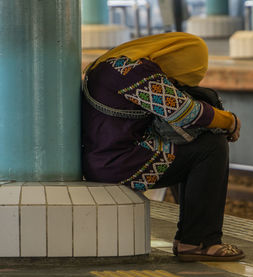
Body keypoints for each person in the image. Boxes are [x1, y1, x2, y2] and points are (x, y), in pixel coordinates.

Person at [81, 32, 244, 262]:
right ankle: (199, 242)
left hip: (103, 157)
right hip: (116, 164)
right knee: (211, 147)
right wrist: (230, 121)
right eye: (181, 78)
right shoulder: (135, 73)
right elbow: (185, 111)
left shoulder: (115, 63)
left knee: (188, 149)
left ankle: (190, 236)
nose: (176, 83)